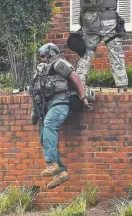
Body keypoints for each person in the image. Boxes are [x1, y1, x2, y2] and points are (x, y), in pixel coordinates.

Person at [29, 43, 93, 189]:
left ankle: (52, 164)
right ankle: (61, 173)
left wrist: (83, 97)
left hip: (60, 102)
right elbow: (36, 92)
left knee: (50, 125)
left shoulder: (59, 63)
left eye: (43, 55)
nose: (41, 58)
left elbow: (75, 78)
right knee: (43, 137)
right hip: (45, 107)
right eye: (40, 56)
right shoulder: (41, 71)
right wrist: (35, 111)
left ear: (51, 53)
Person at [76, 0, 129, 90]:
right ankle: (122, 85)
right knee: (116, 53)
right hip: (108, 23)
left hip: (89, 23)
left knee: (86, 54)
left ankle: (78, 85)